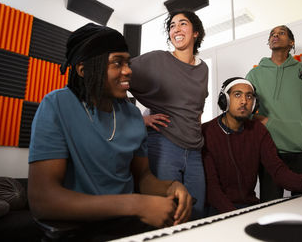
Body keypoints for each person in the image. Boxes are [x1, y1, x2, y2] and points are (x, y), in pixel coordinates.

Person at [28, 23, 193, 240]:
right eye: (117, 63)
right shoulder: (56, 105)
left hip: (125, 224)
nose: (128, 71)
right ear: (84, 69)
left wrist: (171, 187)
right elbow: (43, 200)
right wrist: (135, 204)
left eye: (127, 62)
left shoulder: (133, 115)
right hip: (76, 230)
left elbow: (143, 177)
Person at [202, 77, 302, 215]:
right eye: (237, 95)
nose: (244, 101)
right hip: (218, 209)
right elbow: (212, 188)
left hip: (249, 206)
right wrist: (235, 215)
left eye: (249, 96)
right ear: (224, 100)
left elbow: (278, 171)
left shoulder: (258, 131)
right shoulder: (207, 132)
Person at [129, 10, 208, 219]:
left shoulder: (203, 69)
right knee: (168, 213)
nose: (176, 29)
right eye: (172, 26)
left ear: (196, 33)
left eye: (183, 24)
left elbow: (197, 107)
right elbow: (116, 77)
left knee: (196, 212)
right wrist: (139, 119)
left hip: (194, 150)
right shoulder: (157, 59)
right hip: (164, 145)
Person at [245, 25, 302, 202]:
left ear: (291, 42)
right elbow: (245, 108)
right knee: (270, 205)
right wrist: (264, 121)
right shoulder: (254, 74)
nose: (275, 36)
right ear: (269, 43)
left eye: (281, 33)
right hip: (270, 151)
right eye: (272, 34)